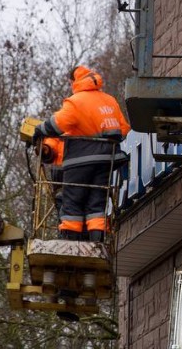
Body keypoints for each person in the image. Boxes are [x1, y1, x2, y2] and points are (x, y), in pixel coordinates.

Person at [34, 65, 131, 241]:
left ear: (74, 81)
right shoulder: (110, 100)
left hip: (80, 161)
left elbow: (58, 125)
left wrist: (39, 130)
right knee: (97, 202)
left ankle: (70, 242)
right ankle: (97, 241)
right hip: (106, 161)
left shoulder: (76, 101)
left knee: (72, 201)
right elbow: (124, 129)